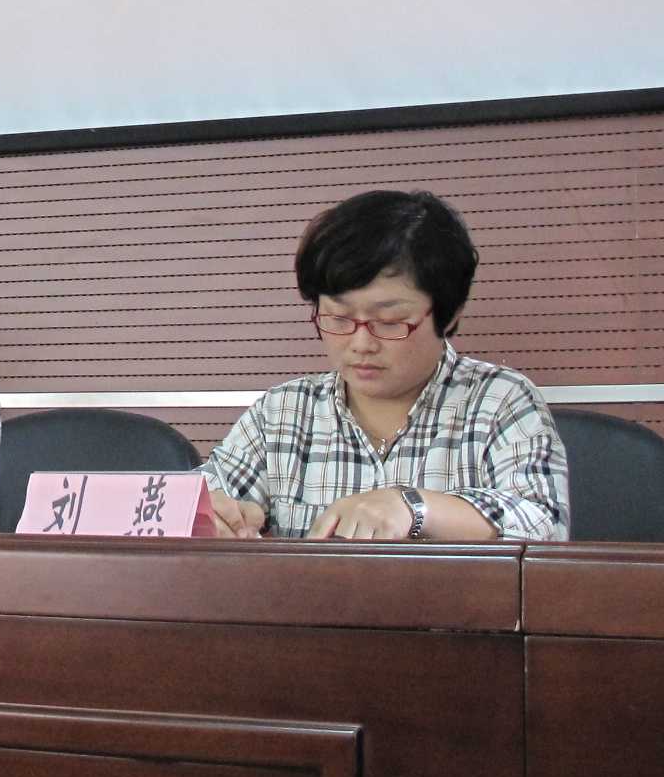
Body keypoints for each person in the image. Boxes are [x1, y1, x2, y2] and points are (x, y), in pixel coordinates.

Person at [201, 190, 568, 541]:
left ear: (450, 313)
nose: (361, 344)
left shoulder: (499, 401)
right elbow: (188, 501)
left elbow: (543, 523)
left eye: (390, 322)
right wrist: (211, 516)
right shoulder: (283, 413)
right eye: (339, 318)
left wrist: (413, 508)